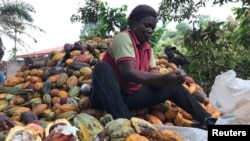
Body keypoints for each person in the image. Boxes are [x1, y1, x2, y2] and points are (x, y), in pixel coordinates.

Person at [90, 4, 216, 127]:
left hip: (129, 97)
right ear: (133, 23)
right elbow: (128, 72)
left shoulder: (147, 48)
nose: (150, 31)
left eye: (152, 27)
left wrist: (170, 79)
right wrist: (163, 79)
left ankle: (207, 121)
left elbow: (154, 78)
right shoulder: (124, 38)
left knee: (174, 87)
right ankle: (125, 124)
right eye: (147, 26)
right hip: (107, 97)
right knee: (101, 68)